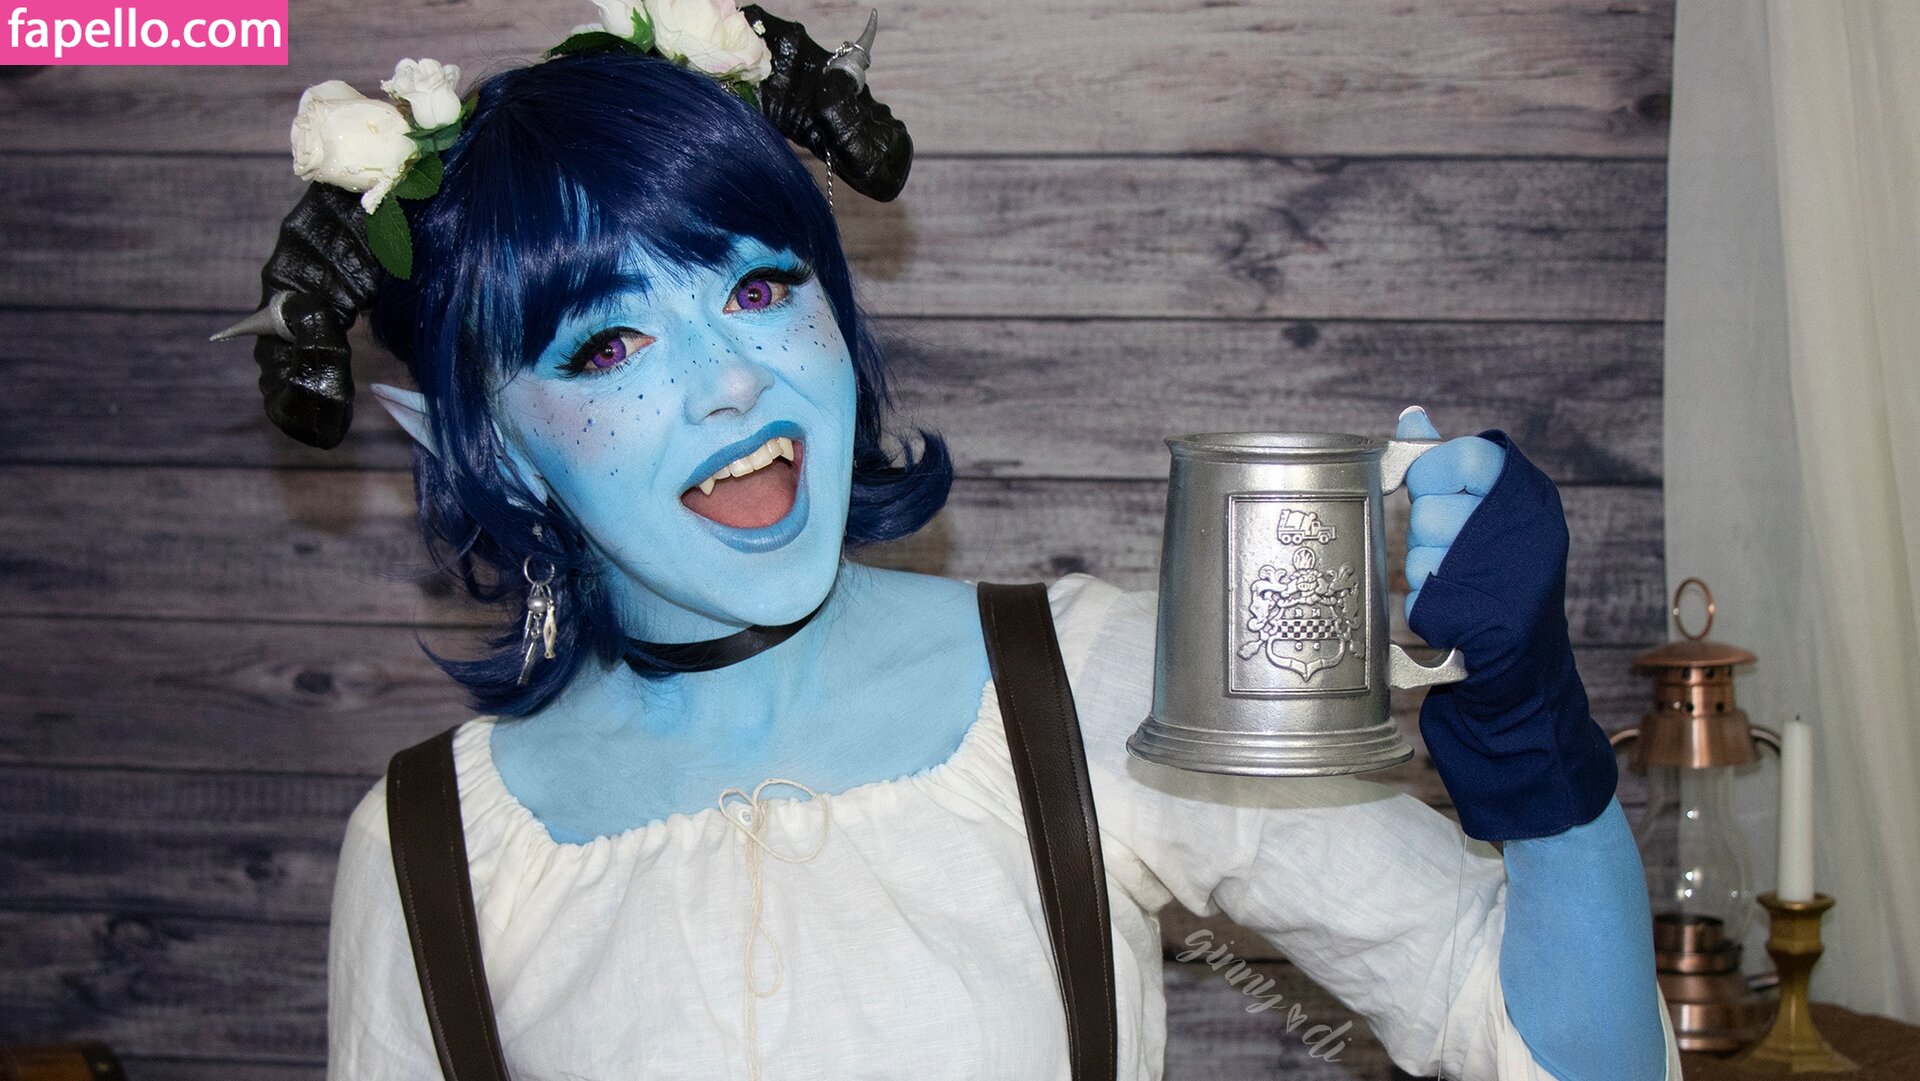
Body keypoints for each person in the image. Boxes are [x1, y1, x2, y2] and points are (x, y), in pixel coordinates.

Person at [216, 4, 1681, 1078]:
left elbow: (1551, 1052)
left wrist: (1530, 737)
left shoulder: (1091, 688)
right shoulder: (432, 846)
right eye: (606, 346)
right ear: (486, 443)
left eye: (758, 287)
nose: (733, 382)